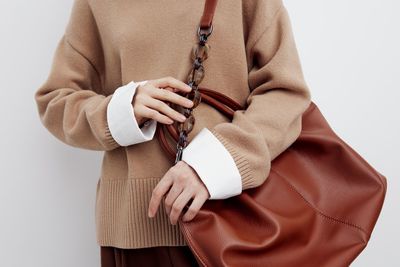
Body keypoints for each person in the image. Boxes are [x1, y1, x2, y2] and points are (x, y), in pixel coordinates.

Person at [34, 0, 311, 266]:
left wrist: (213, 165)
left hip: (234, 223)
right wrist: (122, 109)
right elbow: (56, 100)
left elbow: (285, 92)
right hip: (136, 235)